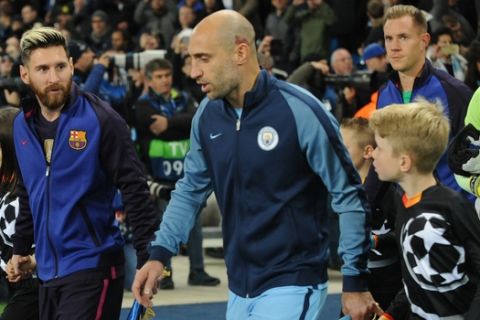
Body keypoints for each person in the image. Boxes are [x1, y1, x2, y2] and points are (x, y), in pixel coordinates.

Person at [133, 10, 383, 320]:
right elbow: (189, 192)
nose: (193, 72)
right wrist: (158, 256)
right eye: (191, 59)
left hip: (294, 280)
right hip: (239, 285)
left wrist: (354, 280)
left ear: (240, 52)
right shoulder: (206, 116)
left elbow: (349, 195)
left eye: (203, 59)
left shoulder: (302, 112)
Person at [11, 26, 159, 320]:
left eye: (60, 66)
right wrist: (20, 248)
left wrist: (147, 258)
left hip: (95, 267)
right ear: (25, 74)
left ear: (71, 65)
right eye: (42, 69)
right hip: (49, 273)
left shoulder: (101, 119)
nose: (54, 78)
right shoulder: (21, 126)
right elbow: (29, 191)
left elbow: (135, 189)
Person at [370, 100, 480, 320]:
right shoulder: (406, 203)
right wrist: (391, 315)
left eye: (380, 148)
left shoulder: (446, 212)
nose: (373, 154)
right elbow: (417, 279)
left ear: (404, 162)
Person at [134, 58, 219, 289]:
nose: (164, 81)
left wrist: (168, 125)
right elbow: (148, 123)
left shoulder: (183, 98)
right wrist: (179, 126)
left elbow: (197, 120)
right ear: (149, 81)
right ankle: (166, 274)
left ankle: (198, 271)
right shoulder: (142, 105)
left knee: (196, 228)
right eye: (159, 77)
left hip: (186, 174)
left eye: (167, 76)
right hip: (160, 177)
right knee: (166, 227)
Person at [375, 4, 472, 198]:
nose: (394, 47)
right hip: (405, 215)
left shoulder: (454, 92)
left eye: (403, 37)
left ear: (424, 40)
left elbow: (474, 161)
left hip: (452, 215)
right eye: (389, 38)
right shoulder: (384, 94)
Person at [340, 118, 402, 311]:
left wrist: (375, 240)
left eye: (343, 147)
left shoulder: (389, 193)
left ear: (368, 151)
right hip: (357, 275)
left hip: (388, 280)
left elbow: (402, 233)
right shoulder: (344, 188)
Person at [0, 106, 39, 320]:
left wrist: (32, 261)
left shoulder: (29, 189)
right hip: (17, 285)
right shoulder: (7, 184)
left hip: (35, 287)